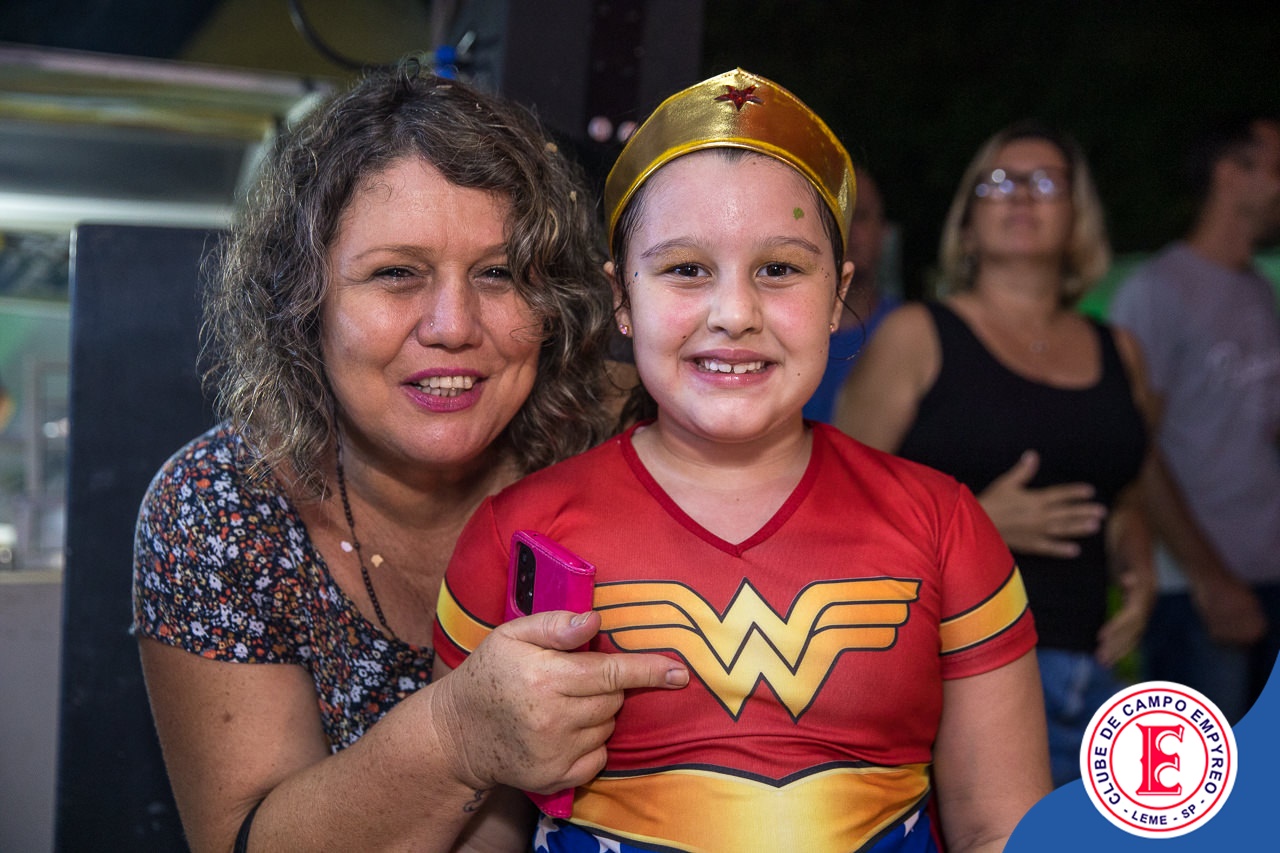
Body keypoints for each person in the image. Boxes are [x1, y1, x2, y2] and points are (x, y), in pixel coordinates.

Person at [435, 68, 1051, 853]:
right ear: (621, 298)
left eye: (780, 270)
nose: (735, 314)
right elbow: (476, 828)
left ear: (838, 295)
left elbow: (1001, 827)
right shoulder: (516, 537)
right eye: (686, 269)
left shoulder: (944, 526)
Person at [132, 61, 688, 853]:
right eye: (397, 274)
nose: (453, 325)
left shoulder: (629, 443)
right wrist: (458, 734)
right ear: (303, 302)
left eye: (499, 273)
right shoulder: (219, 508)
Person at [834, 121, 1163, 787]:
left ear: (1077, 218)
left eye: (1045, 182)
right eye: (998, 182)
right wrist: (974, 525)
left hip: (1091, 677)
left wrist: (1141, 567)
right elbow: (834, 510)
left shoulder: (1119, 349)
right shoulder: (917, 335)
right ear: (967, 221)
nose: (1021, 195)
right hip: (957, 673)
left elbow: (1122, 489)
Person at [1109, 114, 1280, 723]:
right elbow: (1136, 446)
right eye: (1276, 168)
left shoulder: (1258, 290)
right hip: (1195, 595)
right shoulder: (1158, 290)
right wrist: (1208, 579)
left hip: (1266, 575)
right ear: (1230, 175)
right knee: (1203, 772)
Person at [803, 165, 901, 423]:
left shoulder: (909, 332)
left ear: (884, 232)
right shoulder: (780, 328)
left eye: (861, 216)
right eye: (834, 215)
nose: (847, 229)